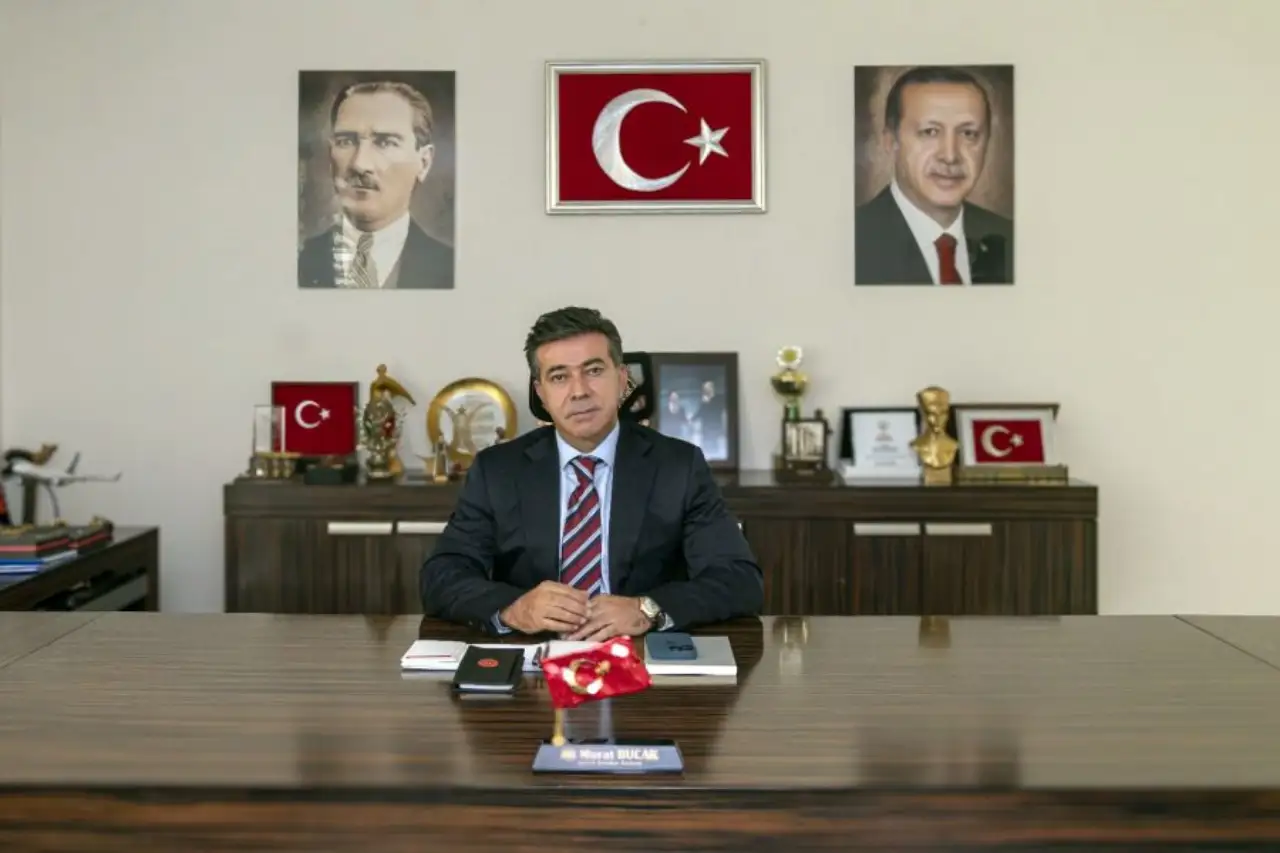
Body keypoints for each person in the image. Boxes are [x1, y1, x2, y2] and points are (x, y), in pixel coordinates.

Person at [420, 306, 764, 640]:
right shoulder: (497, 470)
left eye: (594, 370)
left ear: (622, 379)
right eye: (559, 377)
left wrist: (646, 609)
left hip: (639, 654)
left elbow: (739, 580)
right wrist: (515, 608)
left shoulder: (678, 466)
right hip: (535, 655)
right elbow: (442, 576)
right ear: (541, 393)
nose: (579, 390)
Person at [855, 66, 1013, 286]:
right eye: (930, 132)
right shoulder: (852, 241)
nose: (950, 156)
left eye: (968, 133)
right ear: (891, 142)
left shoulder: (1012, 240)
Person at [298, 79, 453, 289]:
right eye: (346, 141)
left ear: (424, 163)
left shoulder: (452, 270)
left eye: (385, 142)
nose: (360, 164)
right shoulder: (296, 260)